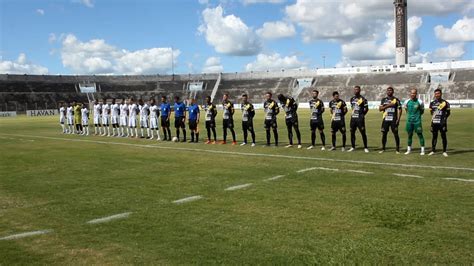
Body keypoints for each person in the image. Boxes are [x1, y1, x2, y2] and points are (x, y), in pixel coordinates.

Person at [379, 87, 402, 154]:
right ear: (386, 92)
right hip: (385, 119)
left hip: (393, 120)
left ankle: (397, 149)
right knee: (384, 134)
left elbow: (400, 109)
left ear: (393, 92)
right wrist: (389, 105)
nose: (389, 91)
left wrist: (398, 119)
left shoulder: (396, 100)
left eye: (390, 90)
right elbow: (380, 109)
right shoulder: (383, 100)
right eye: (388, 90)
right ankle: (383, 148)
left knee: (395, 134)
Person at [429, 89, 451, 157]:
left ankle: (444, 151)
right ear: (434, 94)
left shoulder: (445, 103)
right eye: (436, 94)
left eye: (438, 93)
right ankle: (433, 150)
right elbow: (431, 113)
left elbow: (448, 113)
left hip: (442, 123)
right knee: (434, 137)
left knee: (443, 137)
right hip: (434, 123)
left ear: (441, 94)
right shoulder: (432, 103)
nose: (437, 95)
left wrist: (444, 119)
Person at [404, 88, 425, 155]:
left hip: (417, 121)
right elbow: (406, 110)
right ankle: (409, 150)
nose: (413, 94)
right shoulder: (406, 102)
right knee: (409, 135)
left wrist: (417, 116)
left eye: (414, 93)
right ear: (410, 94)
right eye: (412, 93)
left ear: (416, 94)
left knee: (420, 135)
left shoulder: (420, 102)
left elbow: (422, 111)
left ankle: (422, 150)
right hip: (409, 121)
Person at [348, 86, 369, 152]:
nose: (355, 90)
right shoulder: (352, 99)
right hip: (353, 118)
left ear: (359, 90)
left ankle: (365, 147)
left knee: (363, 132)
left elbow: (366, 109)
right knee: (352, 132)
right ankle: (353, 147)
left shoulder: (363, 99)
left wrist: (362, 115)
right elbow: (352, 107)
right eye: (355, 89)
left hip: (360, 119)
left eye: (357, 89)